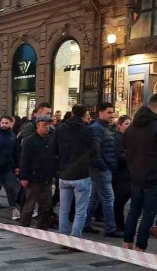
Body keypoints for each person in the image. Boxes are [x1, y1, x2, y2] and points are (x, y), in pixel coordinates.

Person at [123, 93, 157, 251]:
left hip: (136, 175)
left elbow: (125, 147)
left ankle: (127, 242)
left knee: (134, 209)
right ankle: (141, 246)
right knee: (148, 213)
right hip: (155, 176)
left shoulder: (132, 127)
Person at [51, 104, 97, 241]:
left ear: (72, 113)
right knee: (80, 210)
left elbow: (53, 150)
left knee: (64, 210)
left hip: (64, 173)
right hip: (81, 174)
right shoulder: (87, 130)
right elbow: (94, 151)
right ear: (84, 115)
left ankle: (63, 237)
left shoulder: (60, 129)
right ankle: (75, 238)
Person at [83, 103, 122, 237]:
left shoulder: (105, 128)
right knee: (108, 198)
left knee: (94, 198)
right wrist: (103, 166)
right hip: (101, 169)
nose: (112, 115)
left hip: (104, 168)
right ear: (100, 113)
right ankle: (110, 228)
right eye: (109, 112)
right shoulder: (97, 128)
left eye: (113, 112)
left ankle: (85, 223)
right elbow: (95, 151)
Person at [19, 115, 56, 229]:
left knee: (46, 205)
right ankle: (24, 225)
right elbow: (24, 159)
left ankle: (42, 227)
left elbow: (54, 156)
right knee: (30, 203)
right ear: (38, 125)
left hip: (47, 177)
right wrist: (24, 177)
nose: (47, 127)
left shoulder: (50, 138)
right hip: (33, 177)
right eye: (45, 125)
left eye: (49, 125)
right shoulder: (30, 140)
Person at [112, 115, 131, 233]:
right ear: (119, 125)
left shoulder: (129, 138)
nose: (129, 126)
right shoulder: (118, 138)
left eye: (130, 124)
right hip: (120, 174)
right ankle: (118, 224)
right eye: (126, 124)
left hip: (128, 173)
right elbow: (119, 155)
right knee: (119, 200)